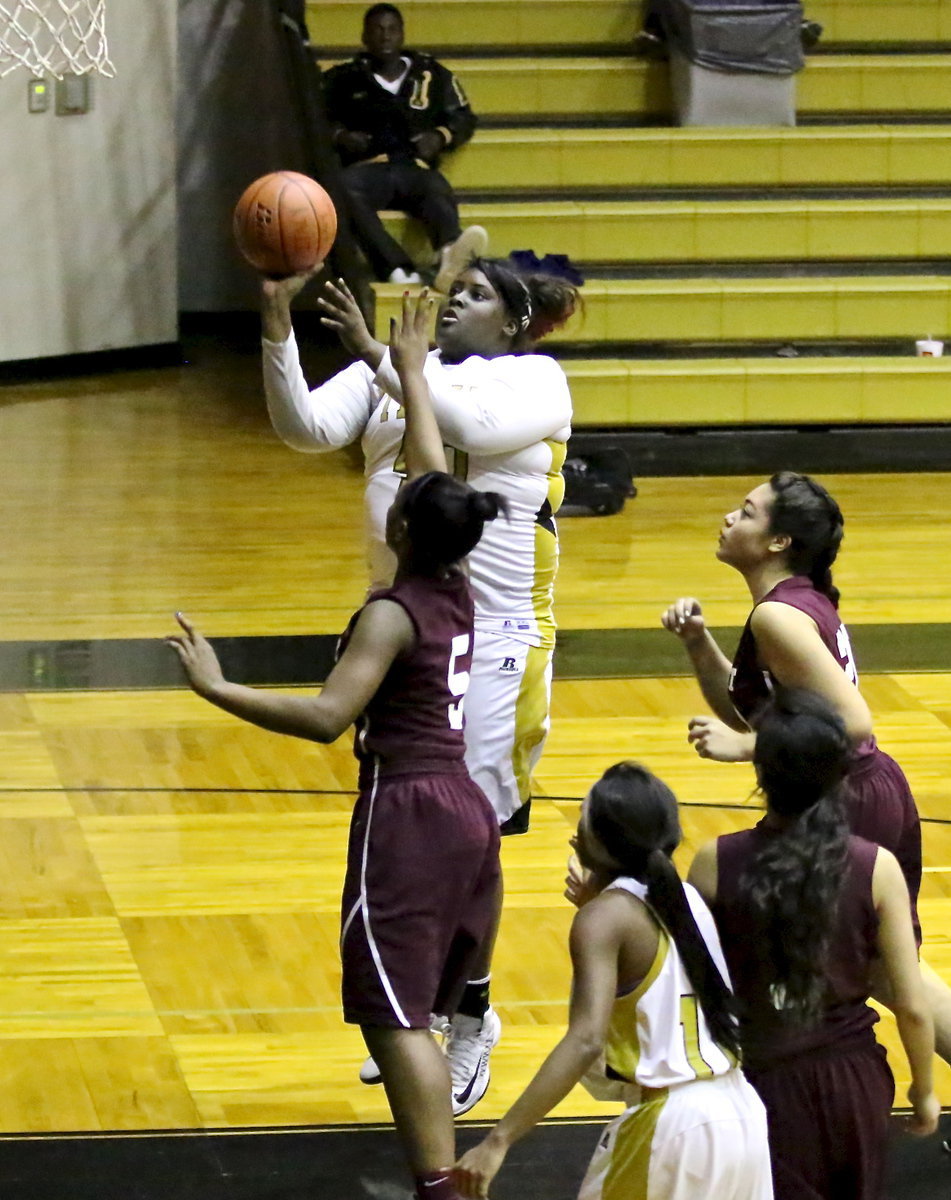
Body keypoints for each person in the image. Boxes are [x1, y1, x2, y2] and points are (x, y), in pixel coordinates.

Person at [168, 293, 503, 1200]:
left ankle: (439, 1185)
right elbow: (435, 475)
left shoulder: (393, 613)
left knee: (395, 1020)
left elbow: (326, 718)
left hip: (408, 811)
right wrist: (407, 369)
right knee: (415, 1012)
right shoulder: (456, 579)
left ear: (401, 526)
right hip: (466, 806)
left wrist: (218, 688)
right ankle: (441, 1173)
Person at [259, 252, 579, 1110]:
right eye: (453, 290)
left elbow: (463, 427)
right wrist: (277, 325)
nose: (455, 302)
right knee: (422, 825)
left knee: (473, 833)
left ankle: (469, 1013)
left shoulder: (534, 379)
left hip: (499, 635)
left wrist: (384, 359)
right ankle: (428, 1003)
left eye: (476, 294)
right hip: (406, 621)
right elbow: (303, 428)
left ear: (513, 320)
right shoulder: (410, 368)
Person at [660, 469, 951, 1061]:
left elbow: (853, 721)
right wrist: (697, 643)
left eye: (747, 512)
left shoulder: (778, 616)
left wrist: (749, 748)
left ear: (778, 541)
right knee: (885, 968)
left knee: (881, 971)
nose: (729, 517)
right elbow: (753, 709)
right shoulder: (791, 604)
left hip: (846, 799)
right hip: (861, 789)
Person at [453, 761, 773, 1200]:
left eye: (582, 819)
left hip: (673, 1125)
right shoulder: (686, 899)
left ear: (602, 842)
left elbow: (586, 1040)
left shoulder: (604, 919)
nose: (574, 831)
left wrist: (498, 1140)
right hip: (742, 1115)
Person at [688, 688, 938, 1199]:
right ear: (841, 774)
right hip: (854, 1083)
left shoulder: (713, 862)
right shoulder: (877, 868)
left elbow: (689, 984)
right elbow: (912, 1006)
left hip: (756, 1080)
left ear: (761, 774)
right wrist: (925, 1089)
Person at [323, 2, 487, 287]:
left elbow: (464, 117)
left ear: (402, 34)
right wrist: (341, 137)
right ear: (364, 37)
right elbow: (315, 119)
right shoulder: (342, 78)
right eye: (377, 30)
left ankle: (450, 254)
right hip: (368, 169)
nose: (385, 36)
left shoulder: (432, 74)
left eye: (392, 29)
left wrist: (440, 136)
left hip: (415, 166)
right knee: (342, 189)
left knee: (436, 187)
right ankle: (396, 269)